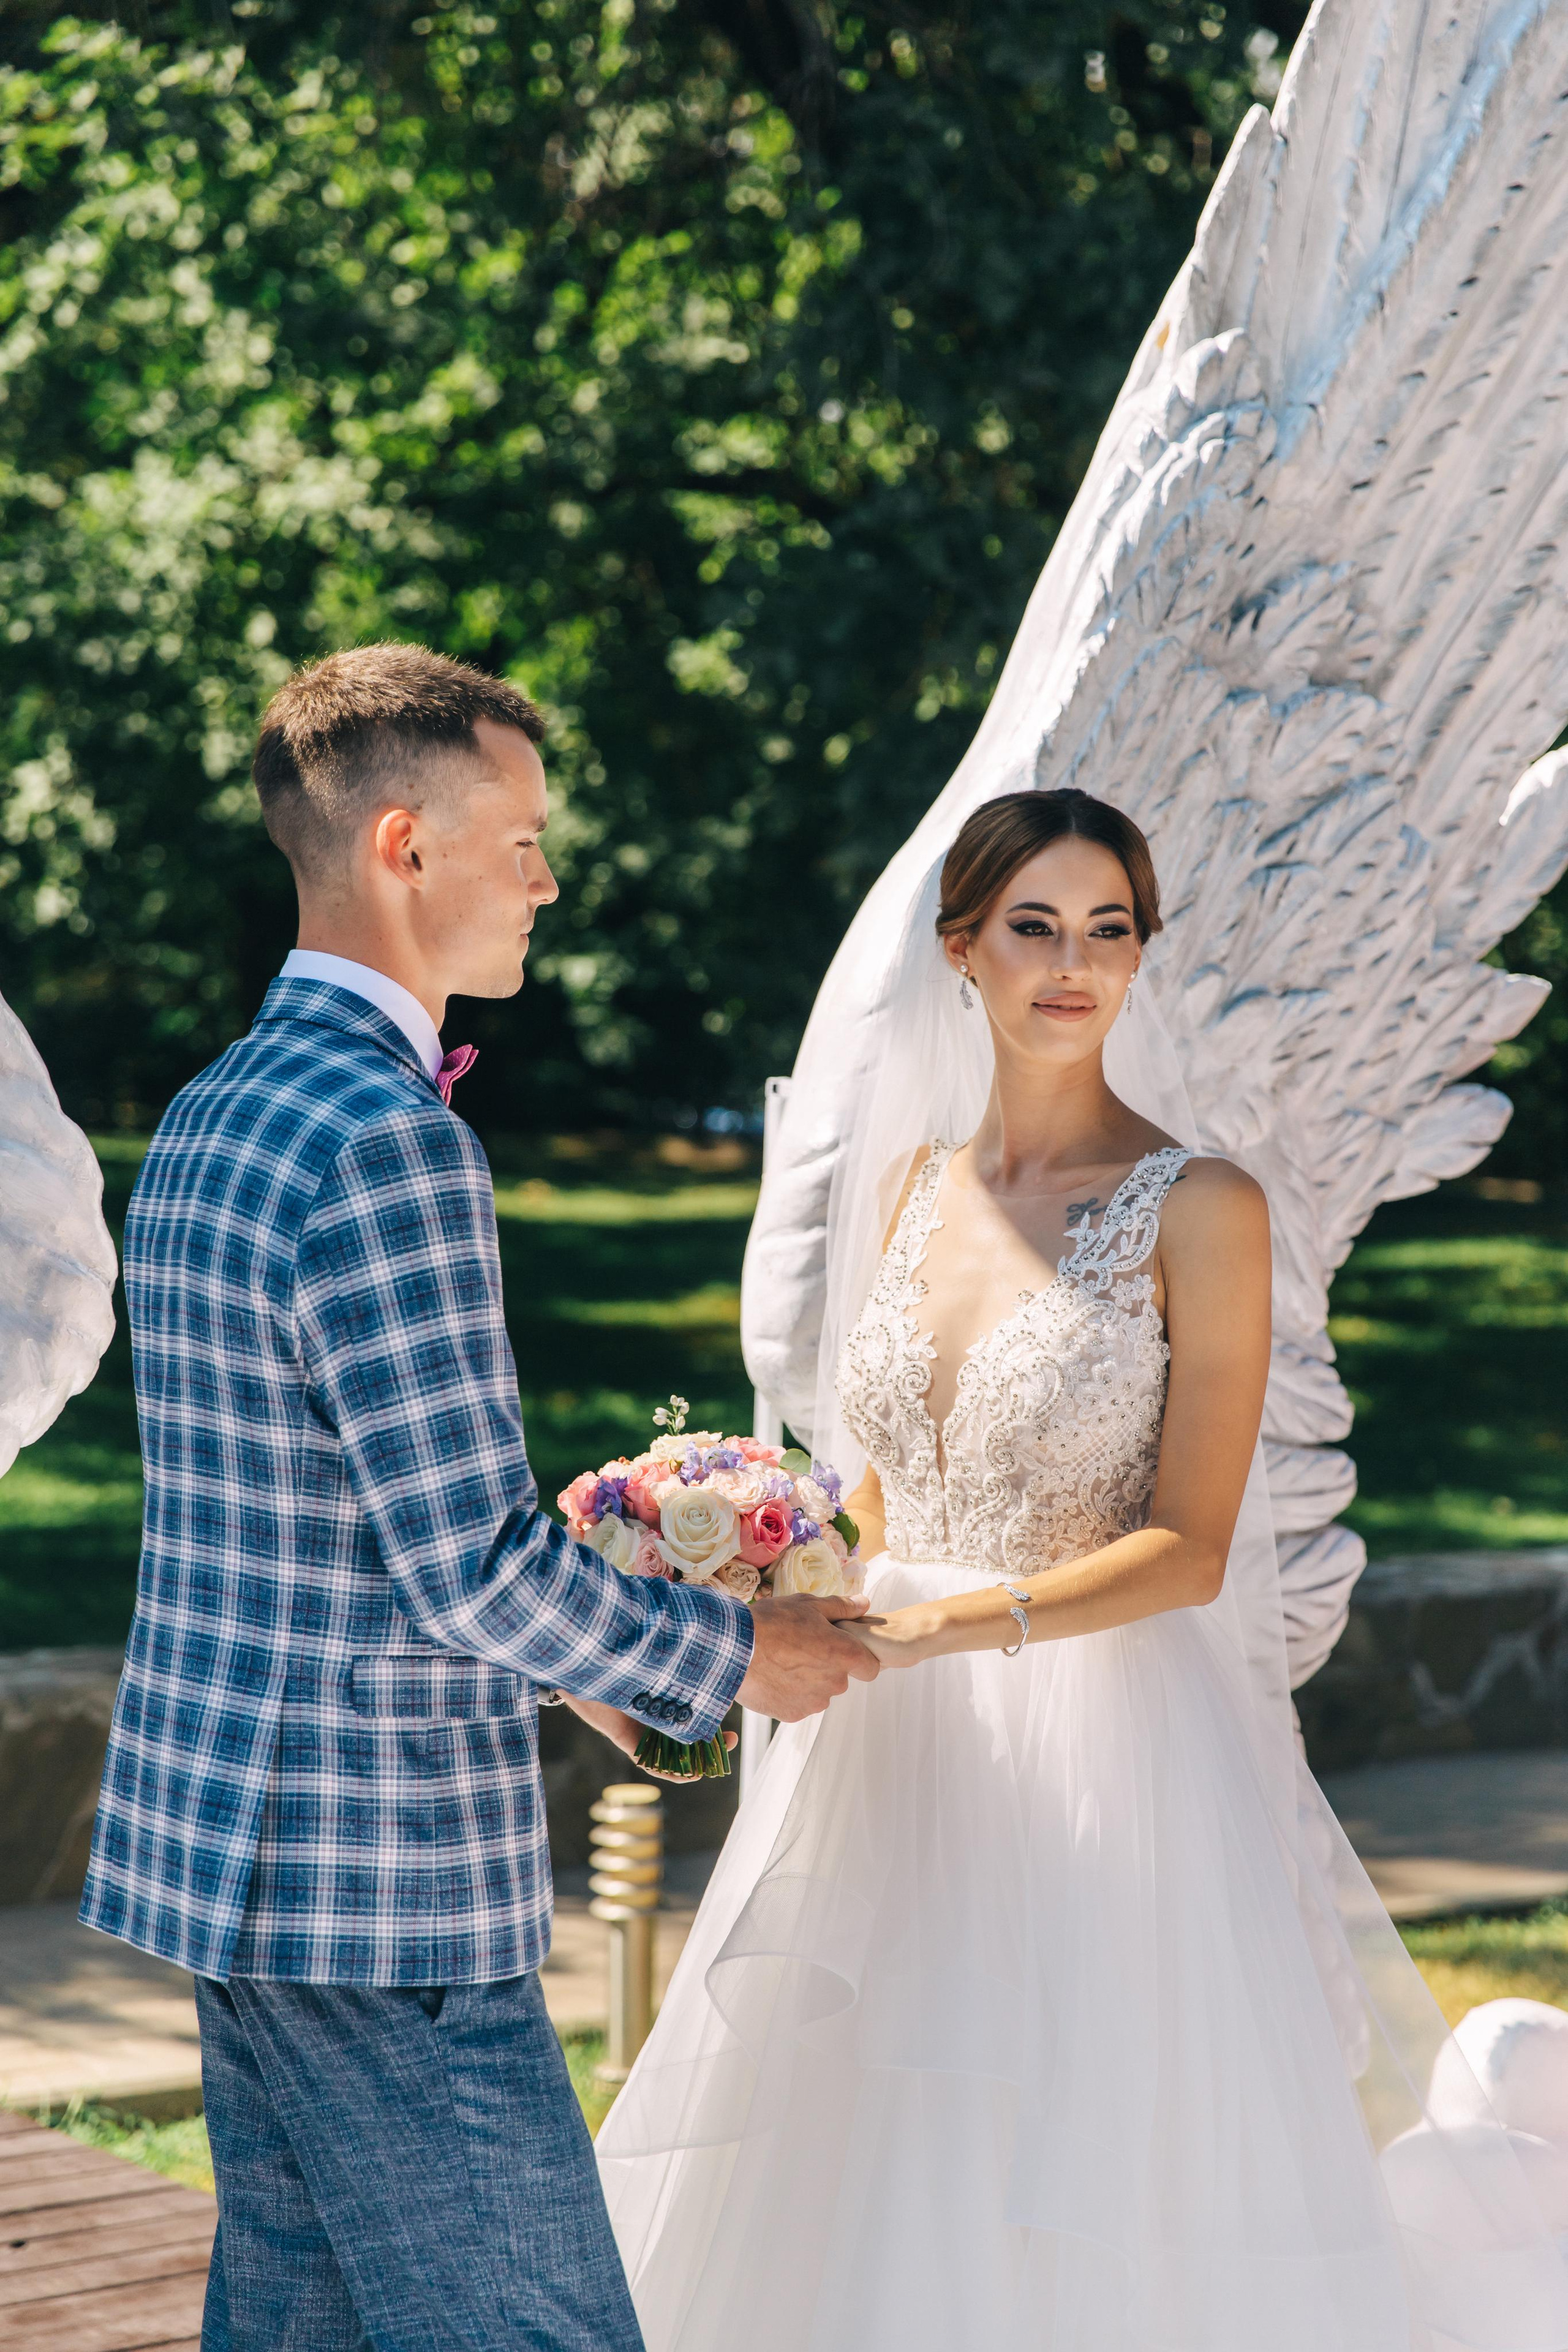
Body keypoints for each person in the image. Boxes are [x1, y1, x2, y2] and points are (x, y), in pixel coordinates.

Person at [597, 790, 1568, 2351]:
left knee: (1079, 2149)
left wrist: (928, 1632)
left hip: (1100, 1743)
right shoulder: (908, 1188)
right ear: (962, 949)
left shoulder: (1204, 1209)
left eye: (1107, 930)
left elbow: (1187, 1552)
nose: (1072, 966)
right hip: (888, 1741)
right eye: (1034, 928)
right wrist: (738, 1550)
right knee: (862, 2137)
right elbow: (884, 1477)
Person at [78, 642, 878, 2352]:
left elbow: (318, 1530)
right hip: (381, 1879)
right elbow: (463, 1565)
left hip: (230, 1852)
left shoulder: (218, 1110)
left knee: (297, 2331)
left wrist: (596, 1649)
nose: (548, 876)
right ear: (399, 847)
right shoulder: (388, 1137)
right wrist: (734, 1658)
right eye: (517, 835)